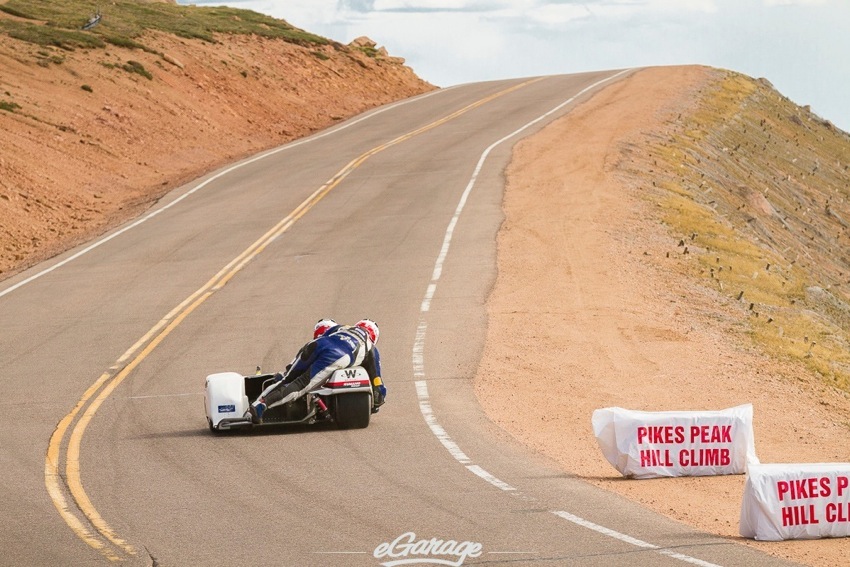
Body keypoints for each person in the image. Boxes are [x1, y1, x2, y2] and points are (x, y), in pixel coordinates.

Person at [246, 318, 386, 423]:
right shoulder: (371, 348)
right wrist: (376, 401)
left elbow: (321, 337)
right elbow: (378, 383)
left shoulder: (342, 327)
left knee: (286, 379)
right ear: (374, 336)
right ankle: (263, 406)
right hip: (338, 355)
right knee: (301, 385)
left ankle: (255, 405)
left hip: (317, 344)